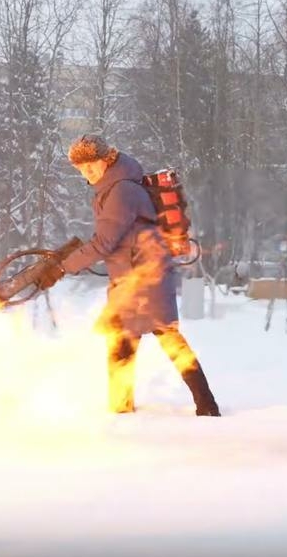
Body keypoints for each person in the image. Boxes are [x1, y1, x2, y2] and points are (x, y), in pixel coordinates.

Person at [38, 135, 220, 417]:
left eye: (91, 165)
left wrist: (63, 268)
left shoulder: (121, 190)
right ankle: (123, 408)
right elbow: (111, 240)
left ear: (106, 160)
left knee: (168, 340)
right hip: (131, 278)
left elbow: (104, 242)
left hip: (146, 278)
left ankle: (205, 406)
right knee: (123, 341)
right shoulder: (112, 188)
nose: (87, 172)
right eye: (81, 168)